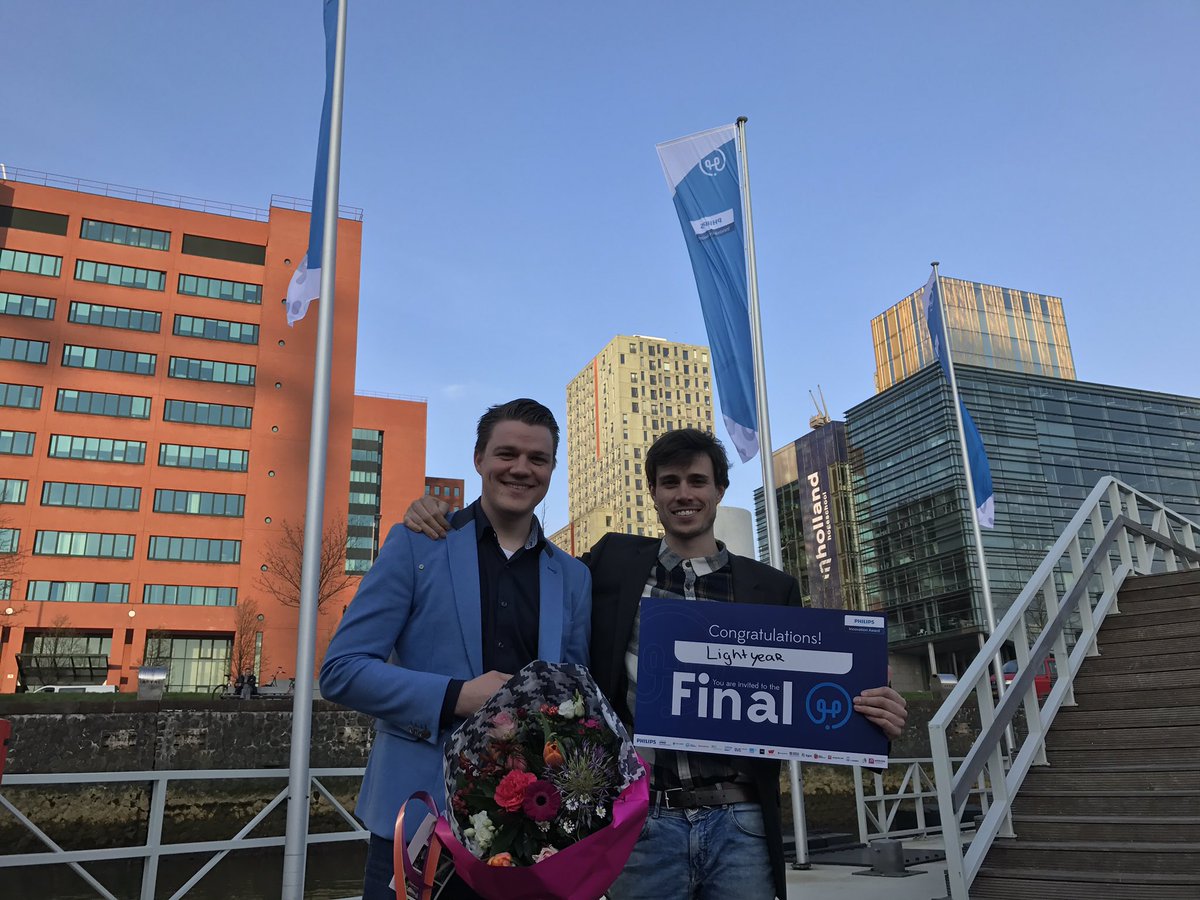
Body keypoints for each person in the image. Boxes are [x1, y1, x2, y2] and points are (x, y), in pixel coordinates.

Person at [405, 427, 908, 900]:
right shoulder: (612, 562)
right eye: (670, 482)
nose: (684, 494)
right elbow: (532, 568)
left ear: (720, 489)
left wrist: (871, 716)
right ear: (652, 492)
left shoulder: (773, 589)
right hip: (642, 821)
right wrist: (447, 519)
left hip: (742, 821)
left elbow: (803, 697)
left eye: (697, 481)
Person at [322, 398, 592, 900]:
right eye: (506, 453)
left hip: (527, 833)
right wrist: (456, 696)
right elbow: (342, 670)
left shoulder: (574, 577)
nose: (521, 468)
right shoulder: (416, 544)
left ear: (552, 469)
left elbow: (574, 700)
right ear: (478, 459)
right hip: (419, 824)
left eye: (537, 459)